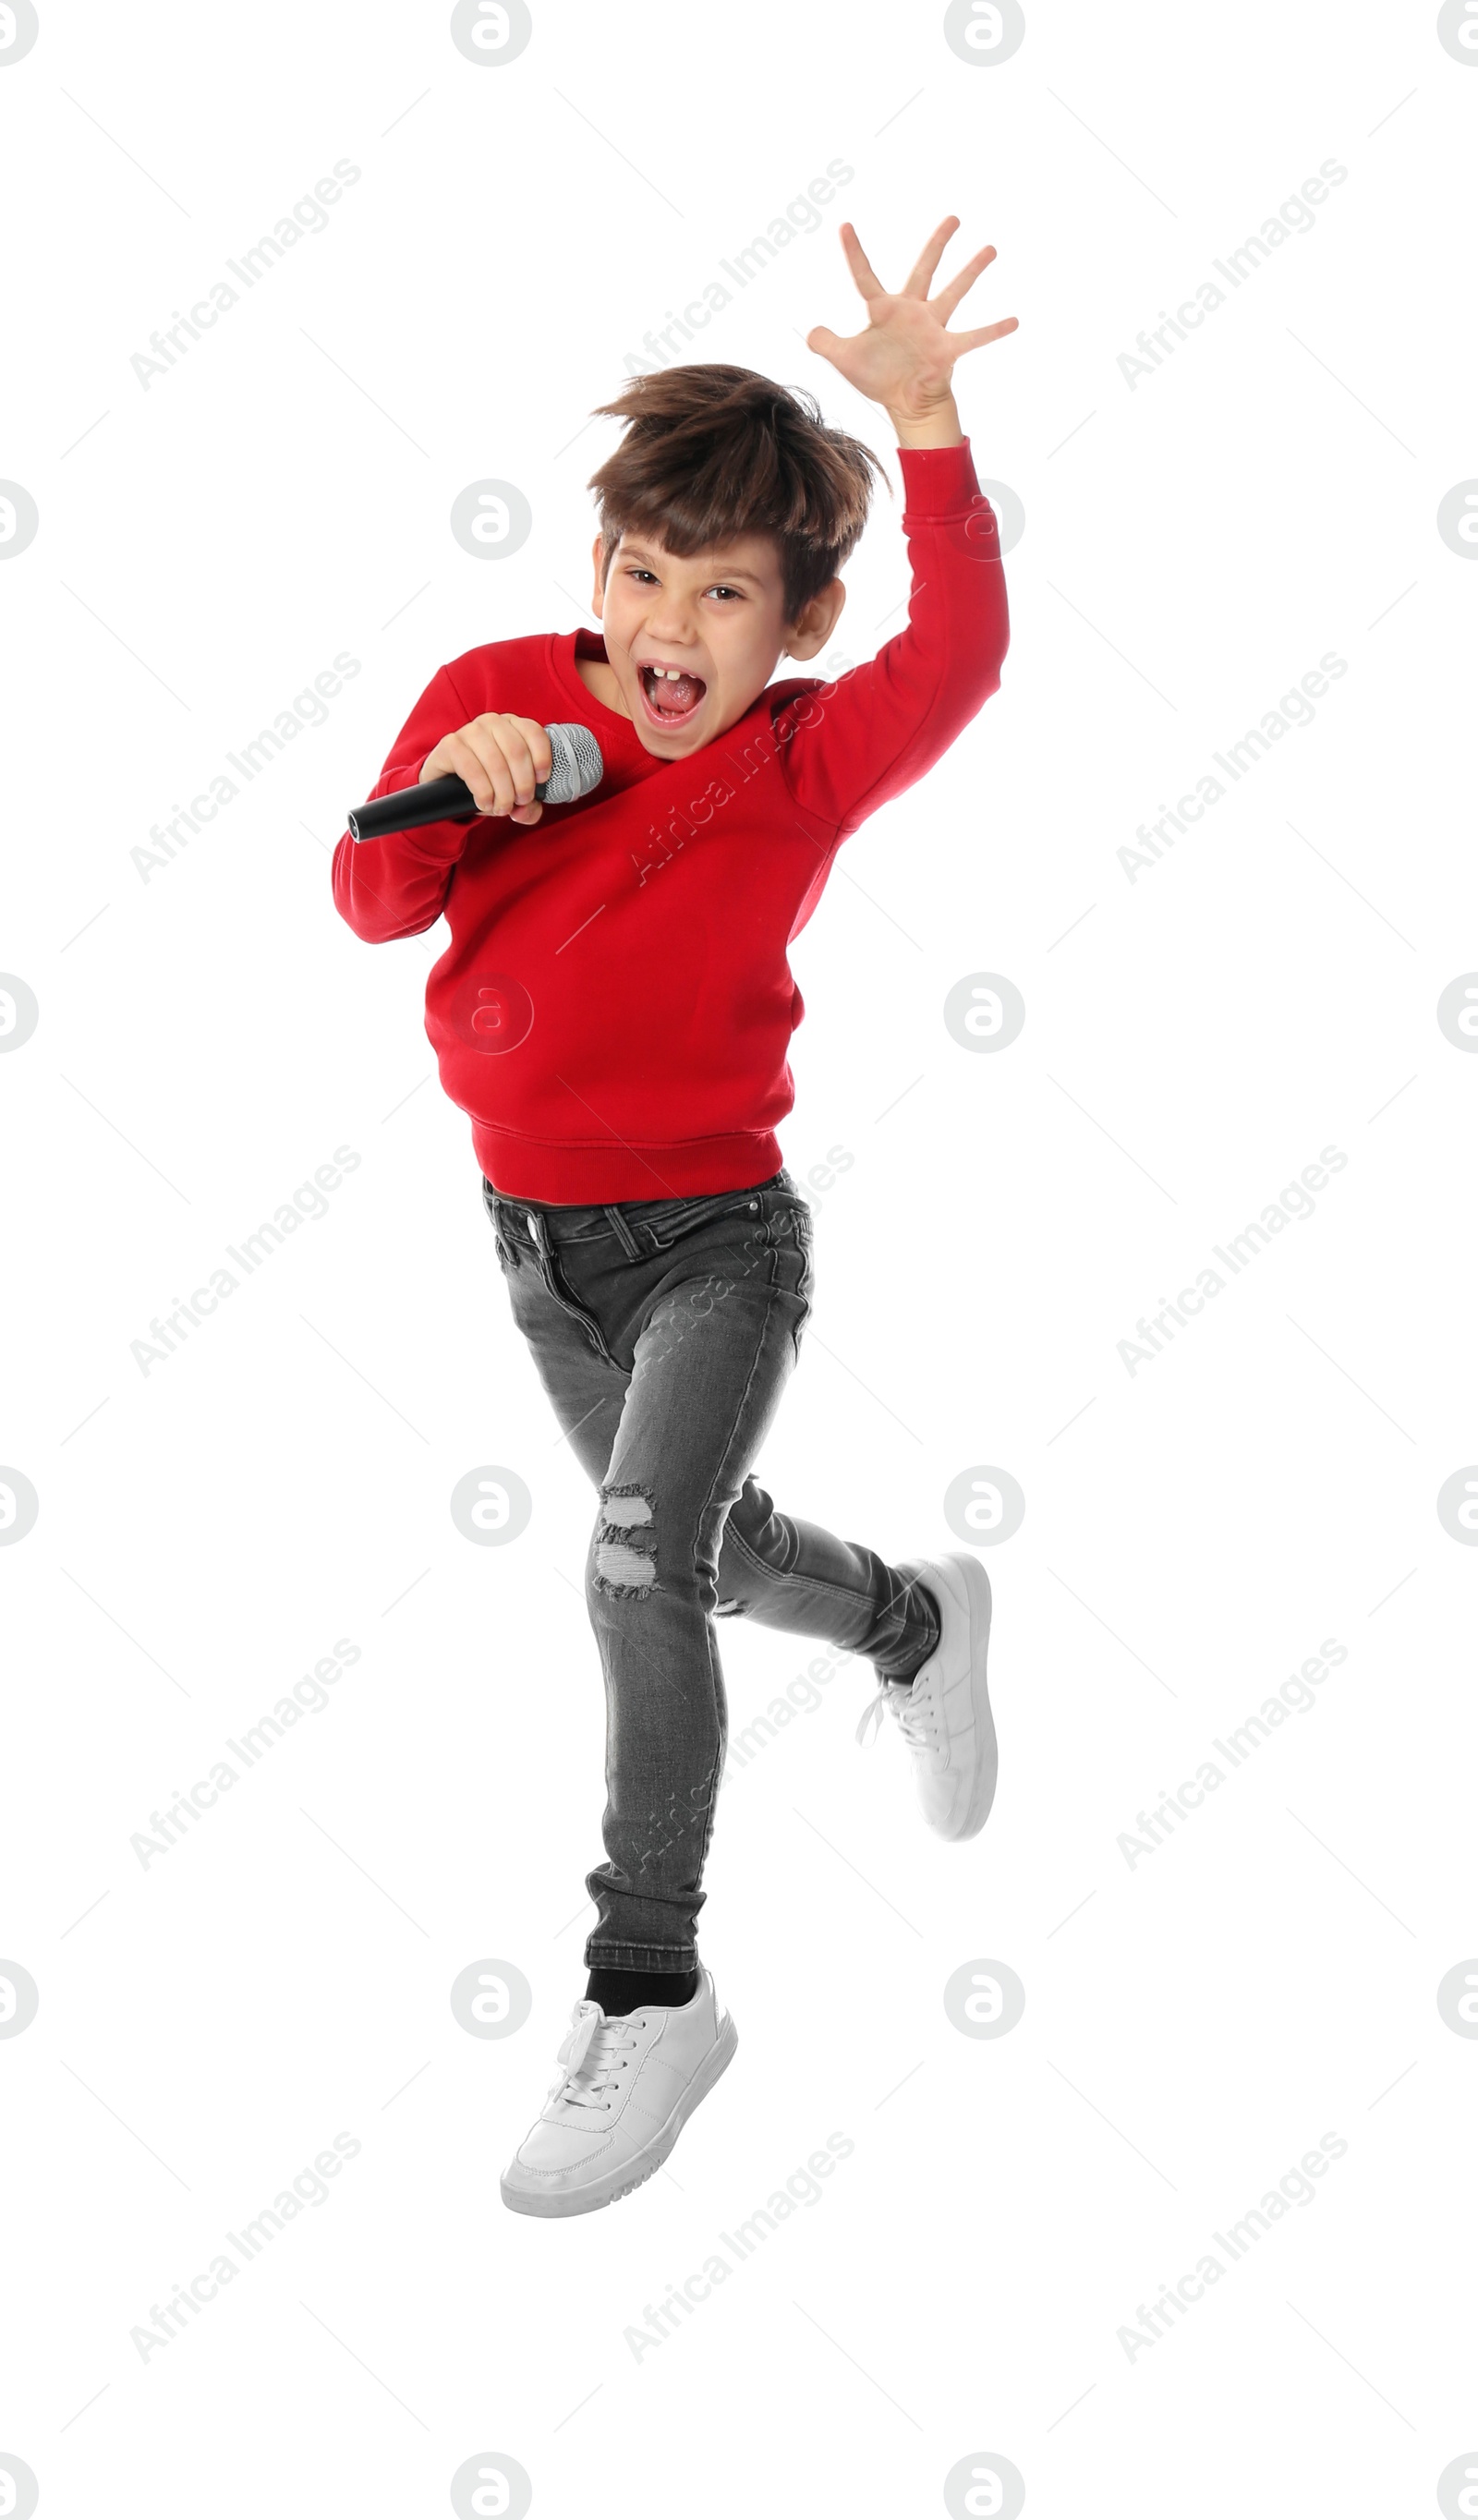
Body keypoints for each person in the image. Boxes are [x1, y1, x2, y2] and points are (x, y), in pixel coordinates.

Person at [332, 216, 1016, 2217]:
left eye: (723, 593)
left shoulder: (800, 762)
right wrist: (455, 795)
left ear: (790, 625)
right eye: (641, 573)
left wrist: (928, 426)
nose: (669, 622)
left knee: (631, 1576)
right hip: (539, 1253)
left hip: (716, 1238)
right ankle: (909, 1612)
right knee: (695, 1563)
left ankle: (650, 1986)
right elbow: (371, 903)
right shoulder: (498, 699)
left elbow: (962, 656)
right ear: (597, 572)